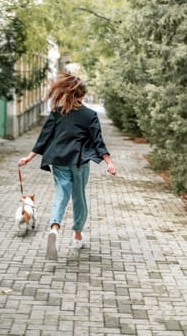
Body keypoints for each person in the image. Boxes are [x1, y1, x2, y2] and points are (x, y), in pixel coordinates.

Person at [18, 72, 116, 260]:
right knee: (79, 198)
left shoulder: (57, 112)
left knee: (61, 195)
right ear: (83, 95)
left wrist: (29, 157)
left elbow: (44, 137)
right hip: (79, 162)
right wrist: (109, 163)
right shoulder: (90, 115)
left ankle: (54, 228)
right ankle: (77, 234)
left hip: (59, 160)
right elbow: (98, 141)